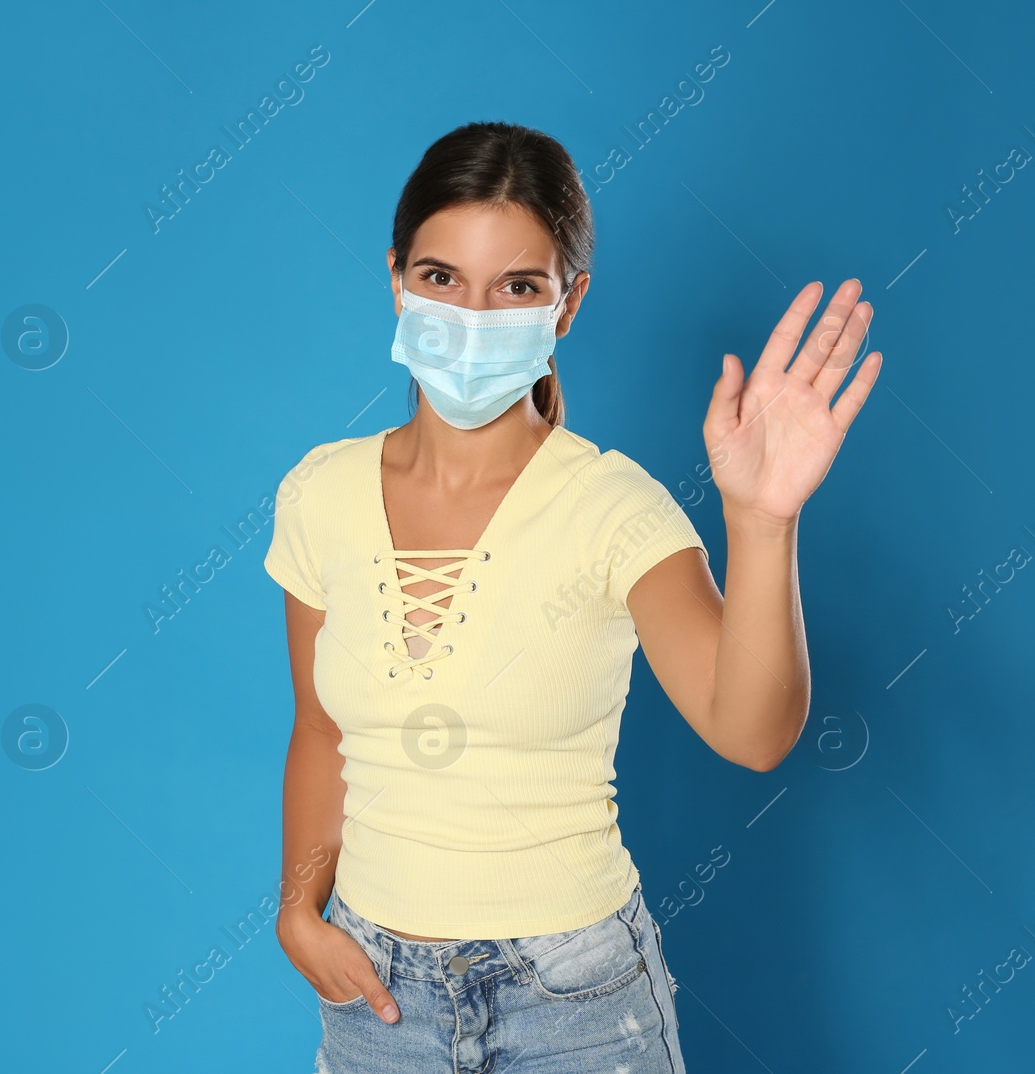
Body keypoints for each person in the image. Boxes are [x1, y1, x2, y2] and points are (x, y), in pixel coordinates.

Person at [264, 120, 881, 1073]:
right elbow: (320, 729)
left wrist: (762, 520)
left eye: (517, 286)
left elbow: (751, 732)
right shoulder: (320, 493)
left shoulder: (614, 507)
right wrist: (299, 909)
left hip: (574, 1004)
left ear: (568, 303)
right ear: (396, 277)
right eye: (440, 279)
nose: (472, 317)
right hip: (376, 1003)